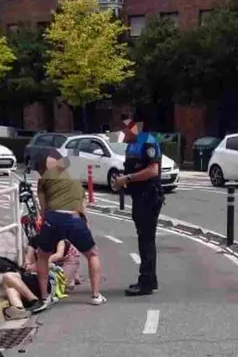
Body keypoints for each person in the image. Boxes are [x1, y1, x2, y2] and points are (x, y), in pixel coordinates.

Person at [33, 149, 104, 311]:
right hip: (73, 219)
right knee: (92, 254)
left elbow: (43, 209)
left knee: (42, 256)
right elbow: (82, 208)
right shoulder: (75, 181)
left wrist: (43, 225)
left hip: (53, 219)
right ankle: (95, 295)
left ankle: (44, 297)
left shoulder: (44, 179)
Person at [113, 117, 164, 296]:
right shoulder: (132, 144)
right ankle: (150, 279)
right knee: (144, 239)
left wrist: (127, 179)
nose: (123, 133)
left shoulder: (147, 142)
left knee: (146, 240)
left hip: (148, 197)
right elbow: (133, 169)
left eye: (125, 129)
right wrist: (123, 177)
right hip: (139, 196)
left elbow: (152, 170)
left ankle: (146, 282)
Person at [1, 239, 78, 320]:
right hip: (36, 279)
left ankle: (34, 300)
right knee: (10, 287)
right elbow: (28, 257)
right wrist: (28, 265)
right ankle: (20, 309)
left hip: (48, 279)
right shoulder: (34, 240)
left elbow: (58, 255)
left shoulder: (57, 238)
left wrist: (40, 263)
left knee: (8, 276)